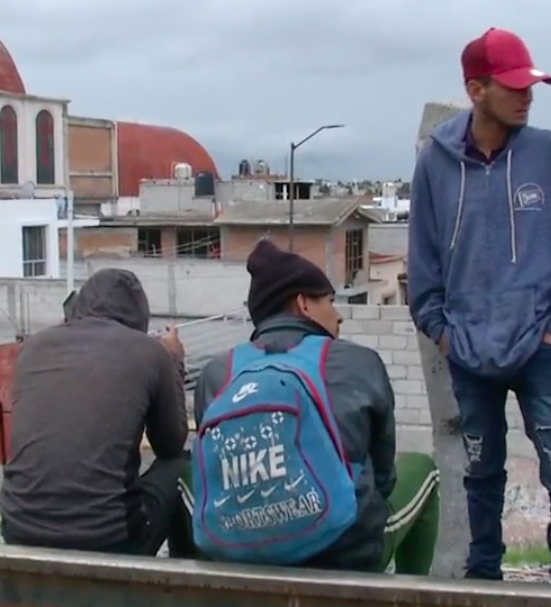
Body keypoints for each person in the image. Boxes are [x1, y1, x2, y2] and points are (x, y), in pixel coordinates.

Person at [407, 27, 551, 584]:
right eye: (514, 86)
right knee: (480, 471)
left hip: (543, 348)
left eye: (530, 85)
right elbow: (423, 258)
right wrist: (441, 330)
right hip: (469, 350)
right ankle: (484, 577)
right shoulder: (436, 164)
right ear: (476, 89)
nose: (527, 96)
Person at [187, 240, 440, 574]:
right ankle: (411, 597)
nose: (338, 316)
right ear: (303, 303)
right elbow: (384, 478)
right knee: (423, 468)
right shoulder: (357, 360)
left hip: (238, 553)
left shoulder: (218, 373)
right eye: (330, 302)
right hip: (344, 551)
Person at [0, 268, 194, 558]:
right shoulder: (150, 352)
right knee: (180, 466)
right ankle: (183, 578)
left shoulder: (32, 348)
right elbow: (170, 445)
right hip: (109, 540)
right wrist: (174, 361)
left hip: (18, 531)